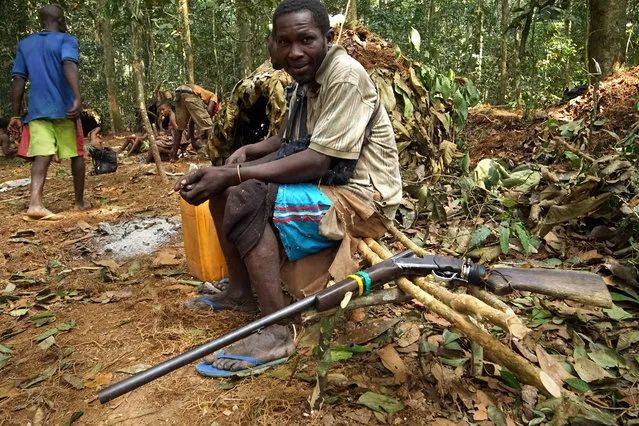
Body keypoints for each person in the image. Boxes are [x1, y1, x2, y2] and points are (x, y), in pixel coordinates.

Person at [176, 0, 401, 377]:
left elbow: (316, 160)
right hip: (327, 186)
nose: (295, 51)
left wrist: (237, 175)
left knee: (246, 193)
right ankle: (240, 292)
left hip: (363, 199)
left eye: (306, 39)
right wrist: (248, 153)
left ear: (328, 39)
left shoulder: (343, 76)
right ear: (273, 47)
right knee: (227, 186)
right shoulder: (303, 83)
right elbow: (288, 141)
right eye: (284, 42)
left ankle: (277, 329)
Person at [9, 4, 89, 221]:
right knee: (76, 154)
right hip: (65, 109)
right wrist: (77, 97)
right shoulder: (67, 40)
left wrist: (15, 114)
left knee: (42, 155)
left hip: (37, 110)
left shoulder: (26, 44)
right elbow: (69, 65)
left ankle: (35, 203)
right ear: (61, 21)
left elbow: (19, 79)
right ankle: (79, 202)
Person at [172, 83, 219, 161]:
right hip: (190, 93)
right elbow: (209, 111)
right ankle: (213, 154)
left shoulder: (202, 97)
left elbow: (191, 123)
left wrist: (193, 142)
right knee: (209, 125)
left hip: (179, 92)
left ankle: (173, 157)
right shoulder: (214, 96)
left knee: (179, 128)